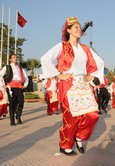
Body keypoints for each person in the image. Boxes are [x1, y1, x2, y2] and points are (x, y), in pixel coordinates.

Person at [41, 17, 104, 156]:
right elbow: (45, 59)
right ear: (68, 30)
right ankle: (65, 145)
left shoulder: (85, 49)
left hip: (83, 84)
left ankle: (80, 136)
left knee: (93, 114)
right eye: (75, 27)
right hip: (68, 83)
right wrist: (58, 75)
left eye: (79, 27)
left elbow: (99, 62)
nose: (79, 29)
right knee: (71, 117)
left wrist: (92, 77)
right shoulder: (62, 46)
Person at [0, 54, 29, 126]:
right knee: (12, 104)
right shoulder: (7, 67)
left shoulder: (20, 68)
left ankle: (18, 116)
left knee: (21, 102)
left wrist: (25, 85)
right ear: (10, 59)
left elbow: (26, 78)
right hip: (11, 87)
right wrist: (3, 85)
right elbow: (0, 75)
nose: (15, 58)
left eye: (16, 57)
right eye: (14, 57)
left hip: (19, 87)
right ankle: (12, 121)